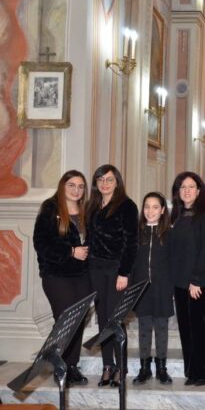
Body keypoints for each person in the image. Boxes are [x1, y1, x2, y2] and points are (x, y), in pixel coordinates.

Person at [32, 170, 91, 387]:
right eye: (72, 185)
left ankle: (72, 366)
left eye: (81, 186)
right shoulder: (51, 208)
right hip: (56, 275)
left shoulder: (87, 210)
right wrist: (70, 251)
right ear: (62, 186)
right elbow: (41, 243)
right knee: (65, 319)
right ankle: (60, 365)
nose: (77, 190)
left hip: (82, 275)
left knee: (78, 319)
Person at [87, 165, 138, 388]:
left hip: (117, 269)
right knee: (102, 317)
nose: (105, 184)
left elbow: (131, 243)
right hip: (95, 269)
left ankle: (122, 367)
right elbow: (89, 240)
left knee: (115, 319)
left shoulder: (127, 206)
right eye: (100, 180)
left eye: (109, 179)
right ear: (96, 183)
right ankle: (107, 365)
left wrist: (124, 273)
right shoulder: (91, 206)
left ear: (117, 181)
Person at [169, 172, 205, 386]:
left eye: (191, 187)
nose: (186, 191)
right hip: (179, 281)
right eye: (182, 187)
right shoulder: (176, 216)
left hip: (199, 281)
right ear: (177, 192)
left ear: (199, 191)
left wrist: (196, 280)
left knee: (199, 326)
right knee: (184, 327)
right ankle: (191, 370)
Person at [131, 192, 174, 384]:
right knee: (144, 329)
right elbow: (130, 262)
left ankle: (161, 368)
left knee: (162, 329)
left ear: (163, 210)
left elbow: (176, 262)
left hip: (162, 288)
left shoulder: (169, 233)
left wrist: (172, 289)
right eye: (146, 207)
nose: (150, 211)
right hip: (141, 289)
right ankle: (144, 368)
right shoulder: (136, 233)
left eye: (155, 207)